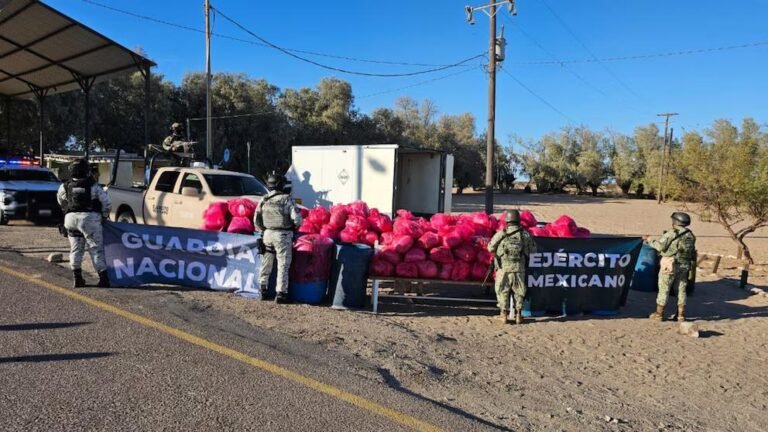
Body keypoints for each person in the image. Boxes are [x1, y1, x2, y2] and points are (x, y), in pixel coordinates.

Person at [57, 159, 112, 288]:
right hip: (89, 220)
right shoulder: (93, 185)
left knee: (76, 249)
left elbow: (61, 201)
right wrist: (104, 216)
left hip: (70, 220)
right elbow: (107, 203)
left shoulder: (65, 186)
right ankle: (103, 279)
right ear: (86, 170)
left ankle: (77, 278)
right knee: (95, 248)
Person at [254, 173, 302, 303]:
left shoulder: (264, 199)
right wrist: (294, 227)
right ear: (281, 185)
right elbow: (297, 219)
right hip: (282, 235)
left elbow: (256, 220)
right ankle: (281, 294)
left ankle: (262, 289)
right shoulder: (286, 199)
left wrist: (263, 231)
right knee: (283, 265)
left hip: (267, 234)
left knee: (266, 263)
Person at [488, 210, 537, 324]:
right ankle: (518, 315)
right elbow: (533, 250)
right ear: (518, 220)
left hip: (503, 268)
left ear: (507, 220)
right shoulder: (525, 234)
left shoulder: (501, 233)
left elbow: (490, 248)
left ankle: (504, 314)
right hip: (519, 268)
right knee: (519, 291)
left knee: (502, 290)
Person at [646, 212, 697, 322]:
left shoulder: (671, 233)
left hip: (669, 264)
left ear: (675, 221)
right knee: (681, 290)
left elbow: (659, 246)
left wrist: (649, 239)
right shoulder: (690, 235)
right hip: (684, 266)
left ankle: (659, 314)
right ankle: (680, 315)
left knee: (664, 289)